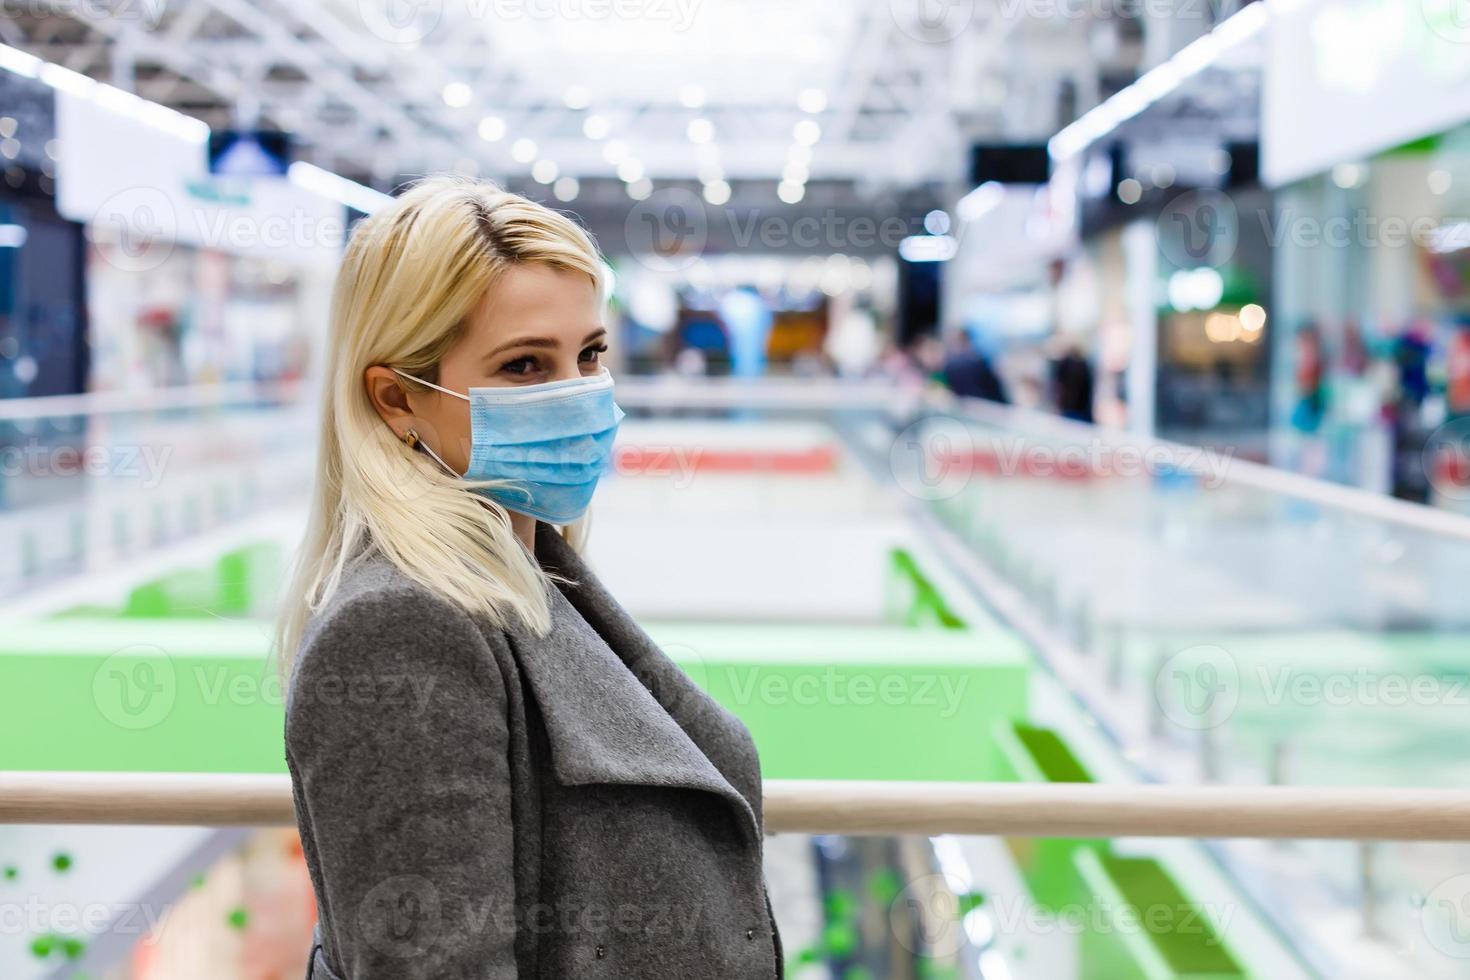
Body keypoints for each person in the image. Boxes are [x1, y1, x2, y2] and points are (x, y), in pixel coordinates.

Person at [275, 176, 782, 979]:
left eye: (589, 354)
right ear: (396, 400)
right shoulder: (400, 633)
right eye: (523, 366)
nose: (577, 396)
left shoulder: (532, 572)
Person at [941, 329, 1008, 404]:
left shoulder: (949, 363)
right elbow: (993, 385)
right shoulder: (979, 360)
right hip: (985, 404)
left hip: (964, 405)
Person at [1050, 343, 1095, 423]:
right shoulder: (1083, 364)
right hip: (1079, 408)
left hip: (1073, 408)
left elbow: (1058, 386)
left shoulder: (1068, 364)